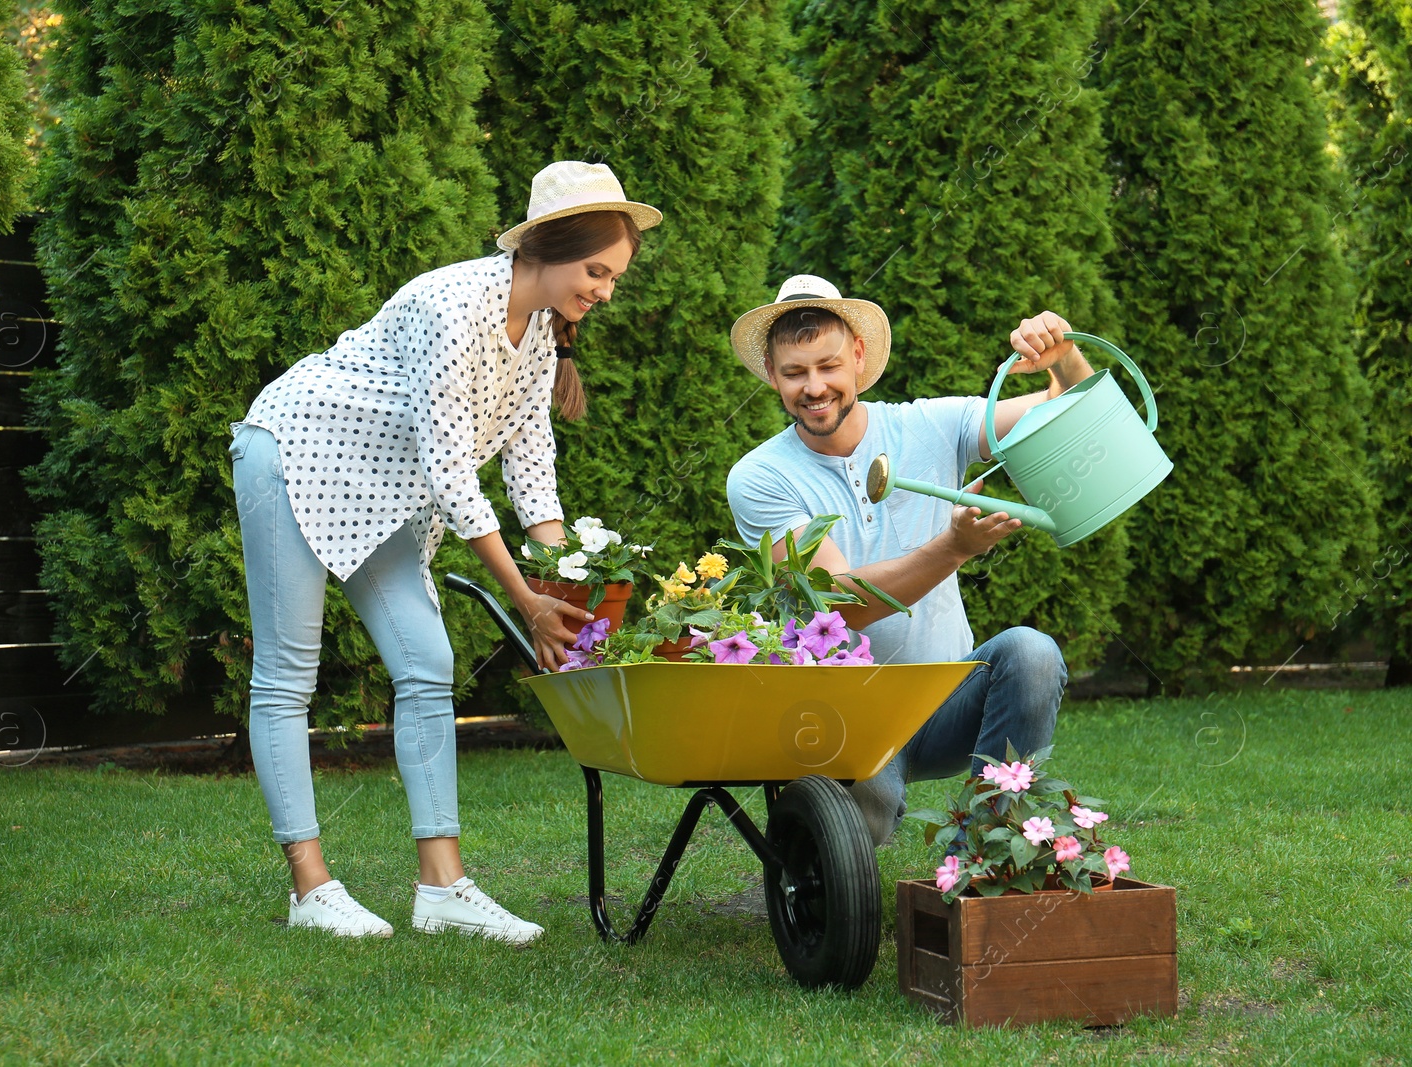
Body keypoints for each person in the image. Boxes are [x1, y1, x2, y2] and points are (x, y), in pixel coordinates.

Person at [230, 161, 661, 941]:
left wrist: (567, 584)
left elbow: (532, 468)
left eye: (614, 277)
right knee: (289, 674)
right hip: (296, 453)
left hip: (384, 491)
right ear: (549, 247)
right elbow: (452, 468)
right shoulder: (450, 305)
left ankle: (442, 886)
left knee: (426, 664)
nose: (605, 290)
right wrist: (524, 600)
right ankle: (311, 887)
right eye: (597, 270)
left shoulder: (535, 334)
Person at [725, 275, 1092, 847]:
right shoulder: (760, 477)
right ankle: (830, 859)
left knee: (1031, 652)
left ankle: (989, 853)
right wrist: (952, 548)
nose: (814, 387)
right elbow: (840, 603)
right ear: (772, 375)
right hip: (843, 714)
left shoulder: (929, 425)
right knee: (849, 853)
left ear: (859, 357)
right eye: (795, 373)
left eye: (828, 366)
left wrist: (1065, 359)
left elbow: (1070, 417)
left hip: (943, 699)